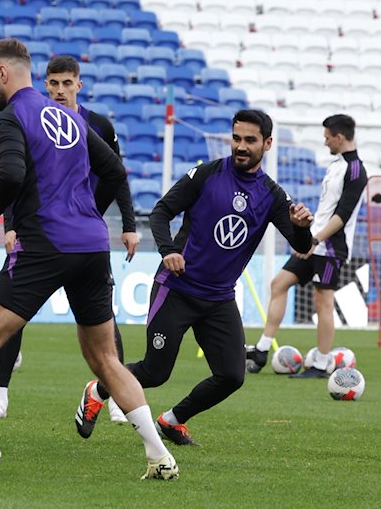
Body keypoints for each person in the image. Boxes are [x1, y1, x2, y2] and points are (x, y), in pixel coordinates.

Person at [0, 38, 177, 481]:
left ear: (5, 73)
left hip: (46, 244)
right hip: (90, 244)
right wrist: (84, 207)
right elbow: (114, 170)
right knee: (106, 359)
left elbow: (11, 174)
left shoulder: (8, 119)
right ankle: (159, 454)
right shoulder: (70, 118)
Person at [74, 109, 315, 450]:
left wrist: (303, 229)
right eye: (236, 139)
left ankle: (172, 420)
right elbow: (160, 212)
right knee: (156, 373)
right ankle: (96, 391)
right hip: (177, 289)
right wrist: (168, 250)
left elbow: (301, 245)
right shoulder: (207, 174)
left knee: (232, 376)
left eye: (250, 140)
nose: (240, 147)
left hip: (218, 299)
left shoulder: (273, 196)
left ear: (268, 144)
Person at [0, 55, 139, 421]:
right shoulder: (37, 118)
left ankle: (116, 398)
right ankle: (1, 394)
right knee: (12, 313)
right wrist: (11, 224)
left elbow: (116, 175)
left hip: (81, 231)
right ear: (45, 85)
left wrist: (127, 223)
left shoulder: (98, 125)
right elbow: (18, 175)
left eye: (66, 84)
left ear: (79, 85)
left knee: (102, 320)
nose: (59, 90)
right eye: (53, 84)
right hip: (39, 230)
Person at [247, 114, 367, 378]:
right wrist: (308, 236)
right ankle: (262, 350)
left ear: (339, 136)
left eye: (327, 137)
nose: (325, 143)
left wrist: (316, 239)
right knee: (279, 283)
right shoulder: (336, 165)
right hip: (314, 241)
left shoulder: (356, 170)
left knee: (323, 301)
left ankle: (322, 364)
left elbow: (343, 214)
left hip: (330, 247)